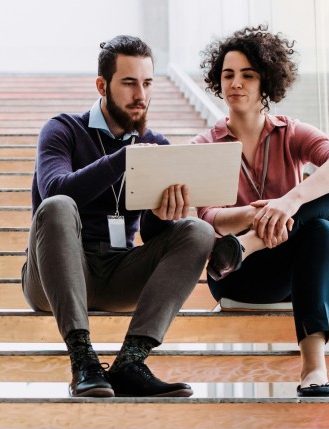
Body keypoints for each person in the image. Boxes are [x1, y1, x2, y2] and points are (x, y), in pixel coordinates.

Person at [143, 25, 329, 398]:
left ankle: (314, 367)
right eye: (228, 75)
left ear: (266, 82)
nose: (236, 83)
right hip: (231, 271)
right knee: (321, 227)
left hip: (285, 267)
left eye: (248, 75)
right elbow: (208, 217)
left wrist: (288, 202)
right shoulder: (205, 145)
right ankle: (245, 248)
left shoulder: (290, 132)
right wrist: (254, 214)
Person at [24, 35, 216, 399]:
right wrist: (122, 158)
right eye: (129, 83)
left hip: (118, 271)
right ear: (102, 85)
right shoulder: (63, 130)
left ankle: (131, 361)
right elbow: (53, 191)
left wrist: (165, 213)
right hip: (55, 276)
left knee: (198, 230)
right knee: (59, 206)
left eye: (146, 83)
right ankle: (83, 359)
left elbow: (151, 234)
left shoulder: (154, 146)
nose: (140, 95)